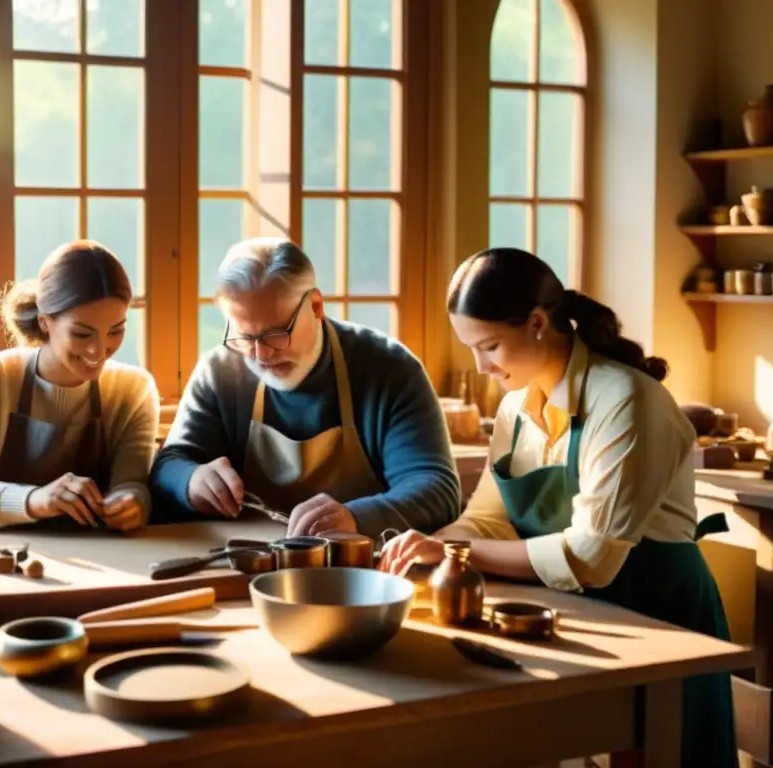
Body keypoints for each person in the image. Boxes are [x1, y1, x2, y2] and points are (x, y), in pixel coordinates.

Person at [377, 248, 737, 767]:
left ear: (539, 323)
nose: (482, 366)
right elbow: (488, 519)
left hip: (660, 620)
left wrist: (455, 551)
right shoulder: (514, 407)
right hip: (576, 616)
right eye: (473, 349)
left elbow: (591, 556)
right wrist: (430, 554)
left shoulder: (626, 402)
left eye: (491, 346)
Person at [149, 237, 461, 539]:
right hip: (243, 562)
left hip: (357, 570)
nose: (261, 354)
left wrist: (356, 517)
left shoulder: (390, 370)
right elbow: (169, 464)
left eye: (275, 334)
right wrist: (191, 480)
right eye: (245, 337)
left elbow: (436, 489)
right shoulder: (220, 372)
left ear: (315, 306)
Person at [0, 240, 159, 531]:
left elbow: (132, 484)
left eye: (115, 331)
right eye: (82, 334)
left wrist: (132, 503)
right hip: (1, 560)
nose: (98, 351)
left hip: (98, 562)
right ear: (44, 323)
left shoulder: (134, 390)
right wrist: (38, 500)